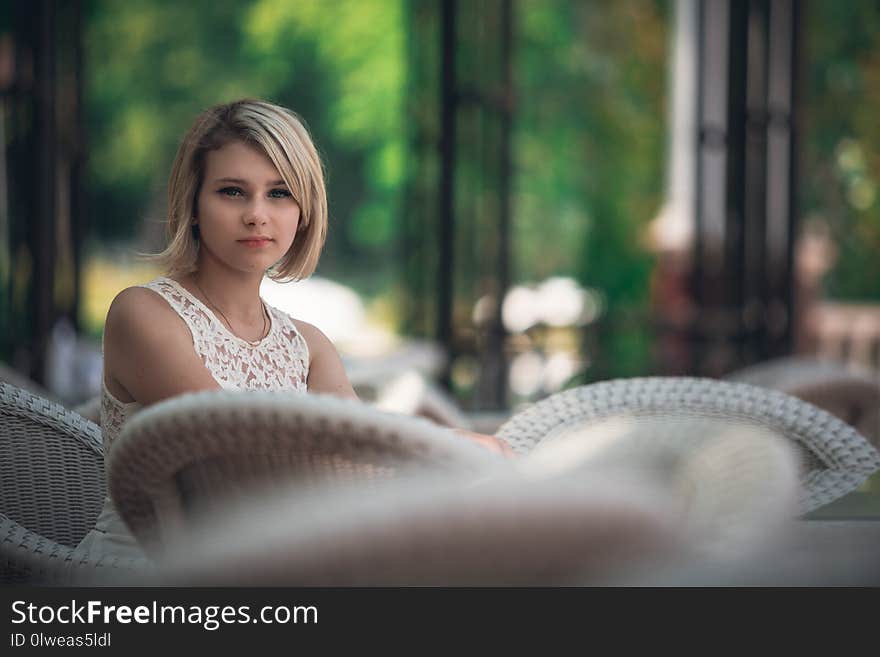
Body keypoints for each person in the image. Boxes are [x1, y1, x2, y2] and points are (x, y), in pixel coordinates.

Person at [77, 98, 511, 560]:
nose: (257, 215)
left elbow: (363, 441)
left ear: (303, 210)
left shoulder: (308, 345)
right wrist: (442, 453)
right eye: (232, 191)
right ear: (194, 206)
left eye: (279, 193)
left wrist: (458, 450)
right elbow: (236, 453)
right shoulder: (142, 313)